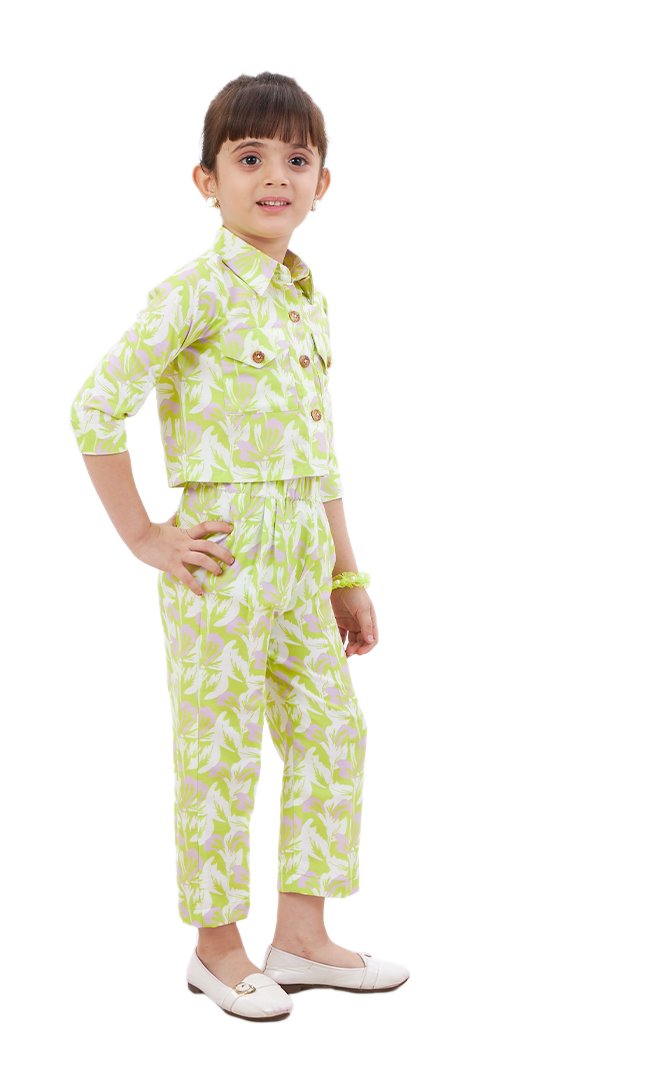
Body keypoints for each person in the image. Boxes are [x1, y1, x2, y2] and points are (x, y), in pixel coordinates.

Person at [69, 72, 409, 1021]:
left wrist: (347, 572)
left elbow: (321, 450)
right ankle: (217, 948)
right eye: (250, 158)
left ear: (322, 184)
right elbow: (95, 407)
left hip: (303, 556)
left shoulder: (307, 300)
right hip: (221, 556)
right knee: (219, 751)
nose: (275, 177)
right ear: (206, 180)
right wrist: (145, 535)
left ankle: (301, 938)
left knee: (333, 732)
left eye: (297, 160)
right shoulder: (194, 291)